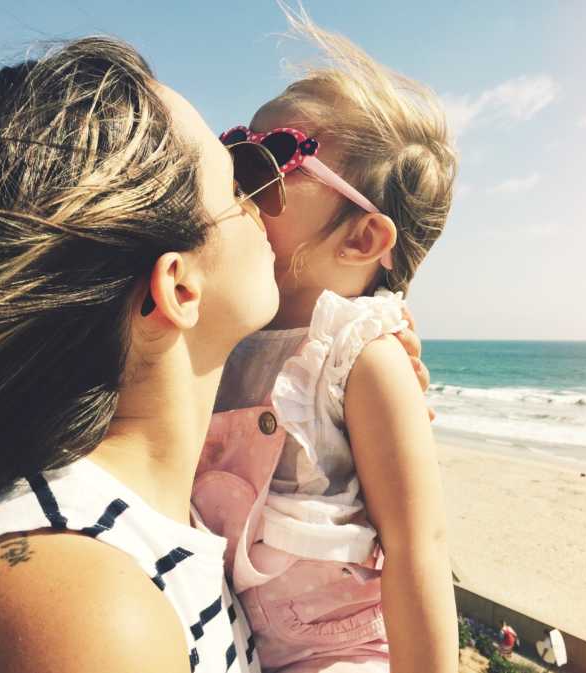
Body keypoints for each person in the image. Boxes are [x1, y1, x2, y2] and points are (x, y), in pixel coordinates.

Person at [0, 36, 428, 672]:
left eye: (269, 167)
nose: (260, 204)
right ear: (178, 288)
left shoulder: (178, 526)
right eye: (233, 179)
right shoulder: (85, 613)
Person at [192, 11, 458, 673]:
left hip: (339, 651)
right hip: (237, 632)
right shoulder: (225, 319)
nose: (238, 185)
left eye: (274, 160)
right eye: (234, 152)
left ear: (362, 238)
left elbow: (417, 545)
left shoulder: (359, 357)